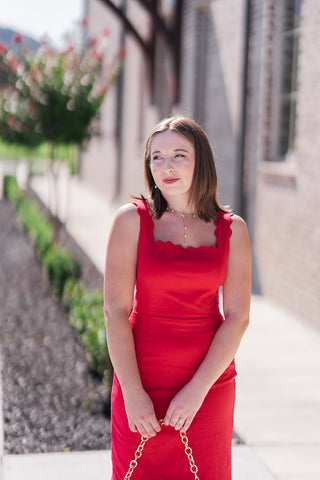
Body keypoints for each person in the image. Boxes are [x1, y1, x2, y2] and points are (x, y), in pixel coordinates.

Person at [104, 116, 251, 480]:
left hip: (209, 384)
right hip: (142, 379)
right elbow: (115, 311)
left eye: (179, 155)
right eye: (157, 157)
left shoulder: (233, 229)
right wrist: (134, 393)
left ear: (201, 160)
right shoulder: (131, 221)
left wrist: (197, 390)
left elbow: (237, 316)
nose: (166, 166)